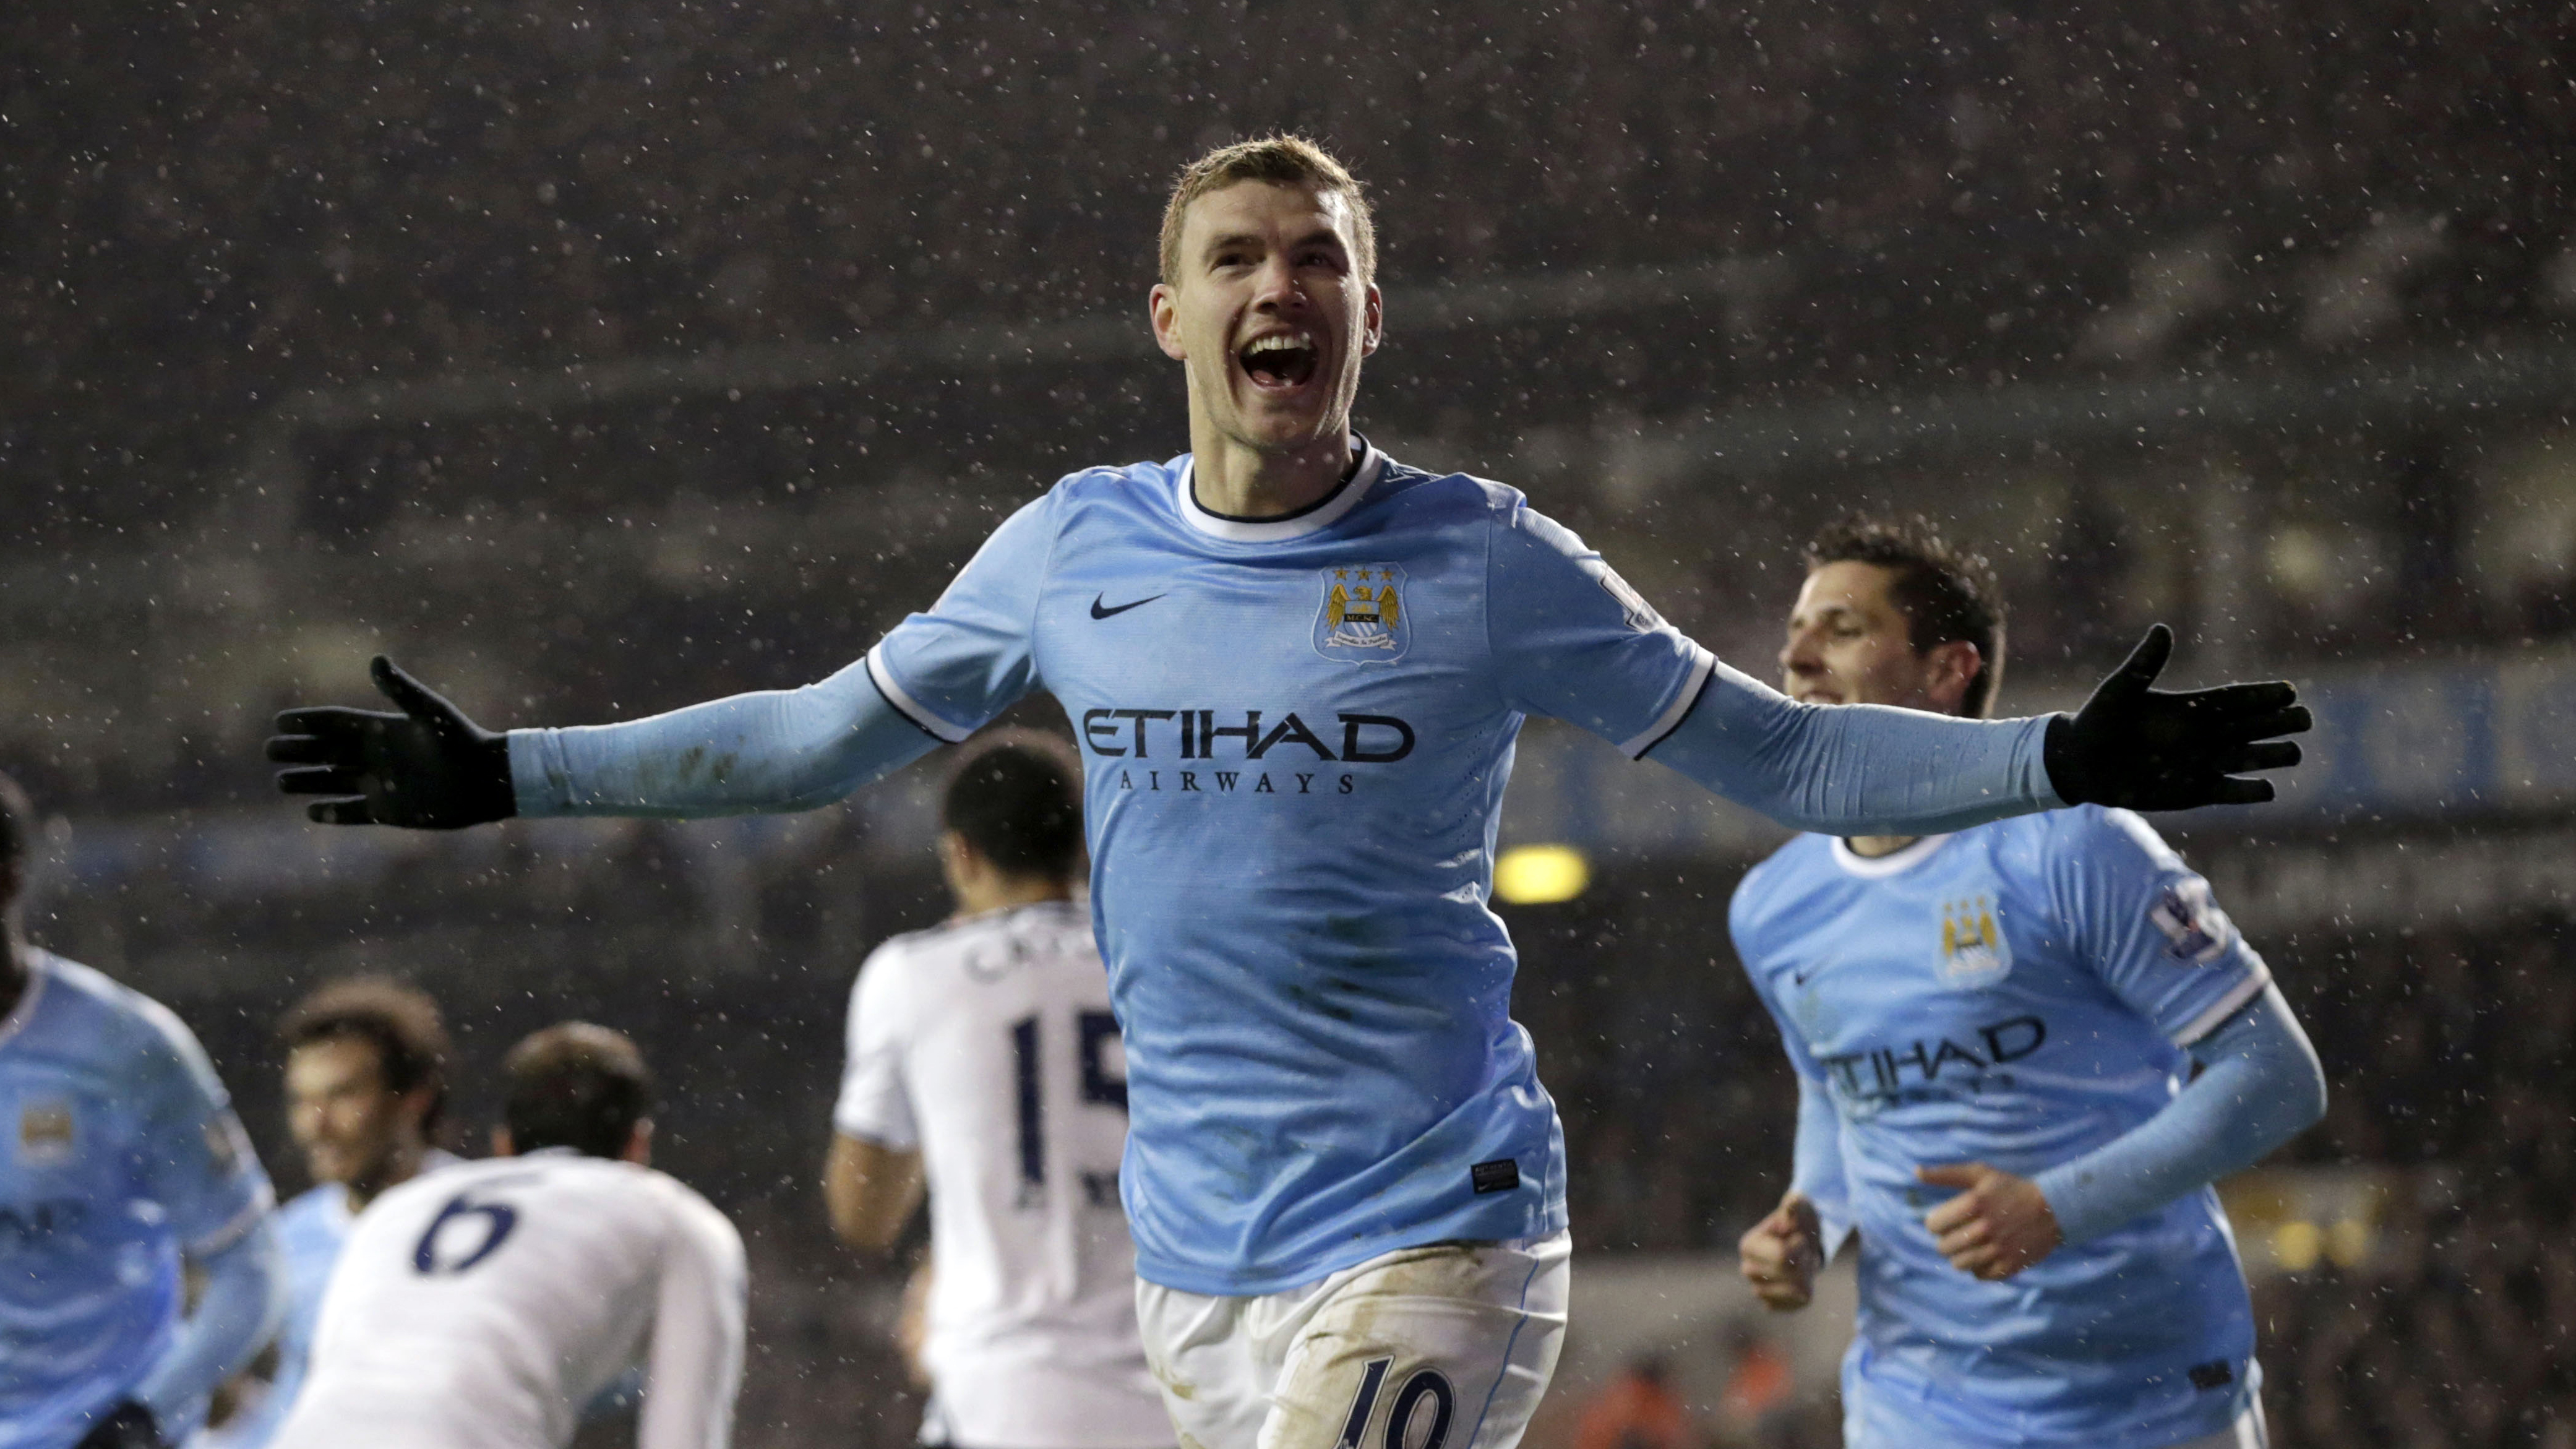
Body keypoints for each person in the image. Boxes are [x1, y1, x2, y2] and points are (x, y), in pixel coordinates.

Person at [264, 137, 2308, 1447]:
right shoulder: (1068, 549)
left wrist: (2053, 755)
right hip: (1193, 1265)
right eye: (1238, 257)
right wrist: (508, 772)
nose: (1282, 287)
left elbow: (1778, 750)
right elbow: (814, 739)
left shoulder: (1484, 557)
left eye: (1319, 260)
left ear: (1365, 314)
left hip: (1438, 1223)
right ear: (1171, 316)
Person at [1729, 517, 2330, 1449]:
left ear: (1948, 671)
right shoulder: (1773, 905)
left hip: (2149, 1395)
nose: (1796, 657)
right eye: (1796, 631)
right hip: (1918, 1405)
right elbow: (1835, 1089)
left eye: (1842, 629)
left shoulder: (2074, 846)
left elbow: (2277, 1077)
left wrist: (2057, 1206)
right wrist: (1812, 1213)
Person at [825, 734, 1170, 1449]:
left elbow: (863, 1212)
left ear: (961, 853)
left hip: (1002, 1393)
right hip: (1172, 1396)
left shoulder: (912, 973)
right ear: (1082, 843)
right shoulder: (1163, 964)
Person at [270, 1023, 745, 1449]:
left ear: (504, 1146)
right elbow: (685, 1436)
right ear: (638, 1146)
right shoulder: (676, 1219)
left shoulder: (396, 1210)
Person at [0, 771, 287, 1449]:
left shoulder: (125, 1048)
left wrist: (146, 1417)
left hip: (101, 1431)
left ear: (7, 880)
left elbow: (251, 1268)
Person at [199, 980, 460, 1448]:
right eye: (302, 1101)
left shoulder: (486, 1221)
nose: (315, 1126)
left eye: (342, 1095)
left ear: (413, 1098)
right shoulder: (284, 1241)